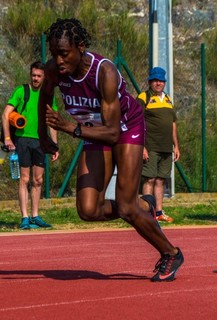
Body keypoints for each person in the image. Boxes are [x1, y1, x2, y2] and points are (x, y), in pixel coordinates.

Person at [38, 18, 184, 282]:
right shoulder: (54, 70)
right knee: (88, 210)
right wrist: (42, 134)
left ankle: (171, 252)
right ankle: (144, 205)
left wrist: (71, 128)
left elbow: (113, 132)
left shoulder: (104, 72)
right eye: (54, 54)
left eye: (63, 53)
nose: (58, 60)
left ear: (80, 47)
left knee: (127, 209)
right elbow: (45, 97)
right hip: (95, 131)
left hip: (125, 129)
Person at [1, 61, 59, 230]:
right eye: (33, 75)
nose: (35, 78)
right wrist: (7, 138)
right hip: (22, 140)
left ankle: (35, 215)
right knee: (24, 179)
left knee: (38, 180)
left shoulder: (48, 95)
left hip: (40, 141)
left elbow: (52, 122)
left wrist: (54, 145)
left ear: (44, 77)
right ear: (30, 75)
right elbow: (6, 115)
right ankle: (24, 217)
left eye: (39, 76)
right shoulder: (21, 91)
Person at [137, 67, 180, 223]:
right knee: (149, 179)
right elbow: (137, 122)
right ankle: (146, 212)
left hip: (165, 147)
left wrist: (176, 146)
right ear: (150, 82)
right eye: (155, 80)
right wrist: (142, 146)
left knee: (161, 180)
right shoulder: (143, 97)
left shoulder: (168, 99)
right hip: (151, 146)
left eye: (161, 81)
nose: (158, 83)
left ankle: (159, 212)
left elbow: (173, 124)